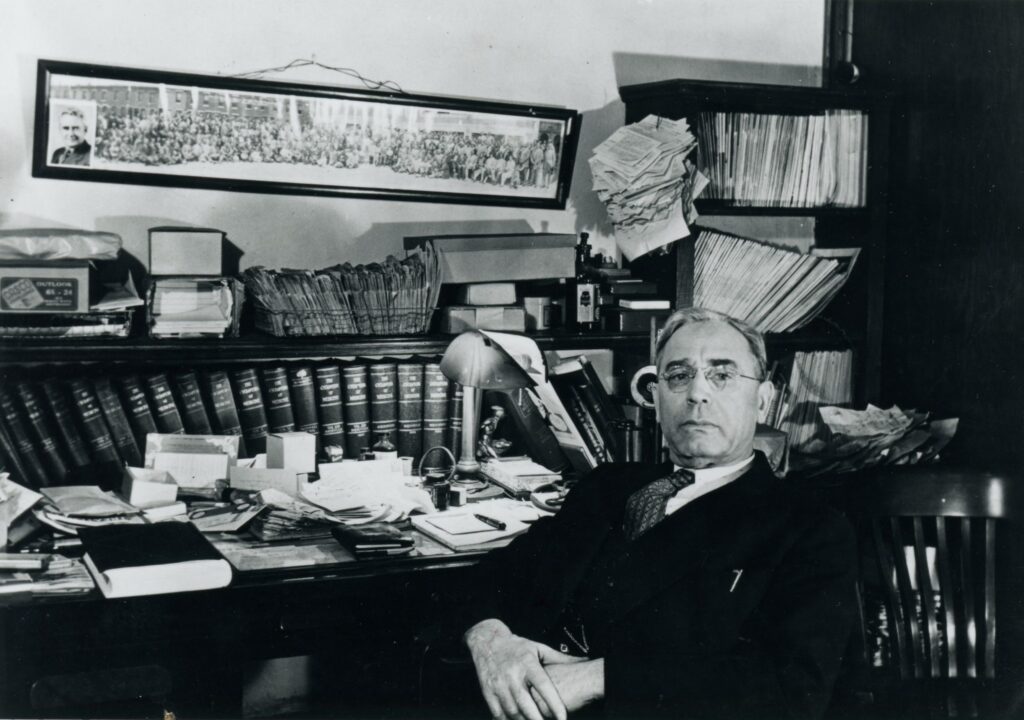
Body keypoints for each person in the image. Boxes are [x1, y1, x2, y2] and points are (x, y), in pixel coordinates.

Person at [448, 307, 857, 720]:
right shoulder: (607, 485)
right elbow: (498, 574)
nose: (697, 393)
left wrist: (598, 678)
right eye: (678, 375)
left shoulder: (808, 528)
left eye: (723, 375)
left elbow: (789, 691)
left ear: (764, 400)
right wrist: (489, 639)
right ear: (656, 399)